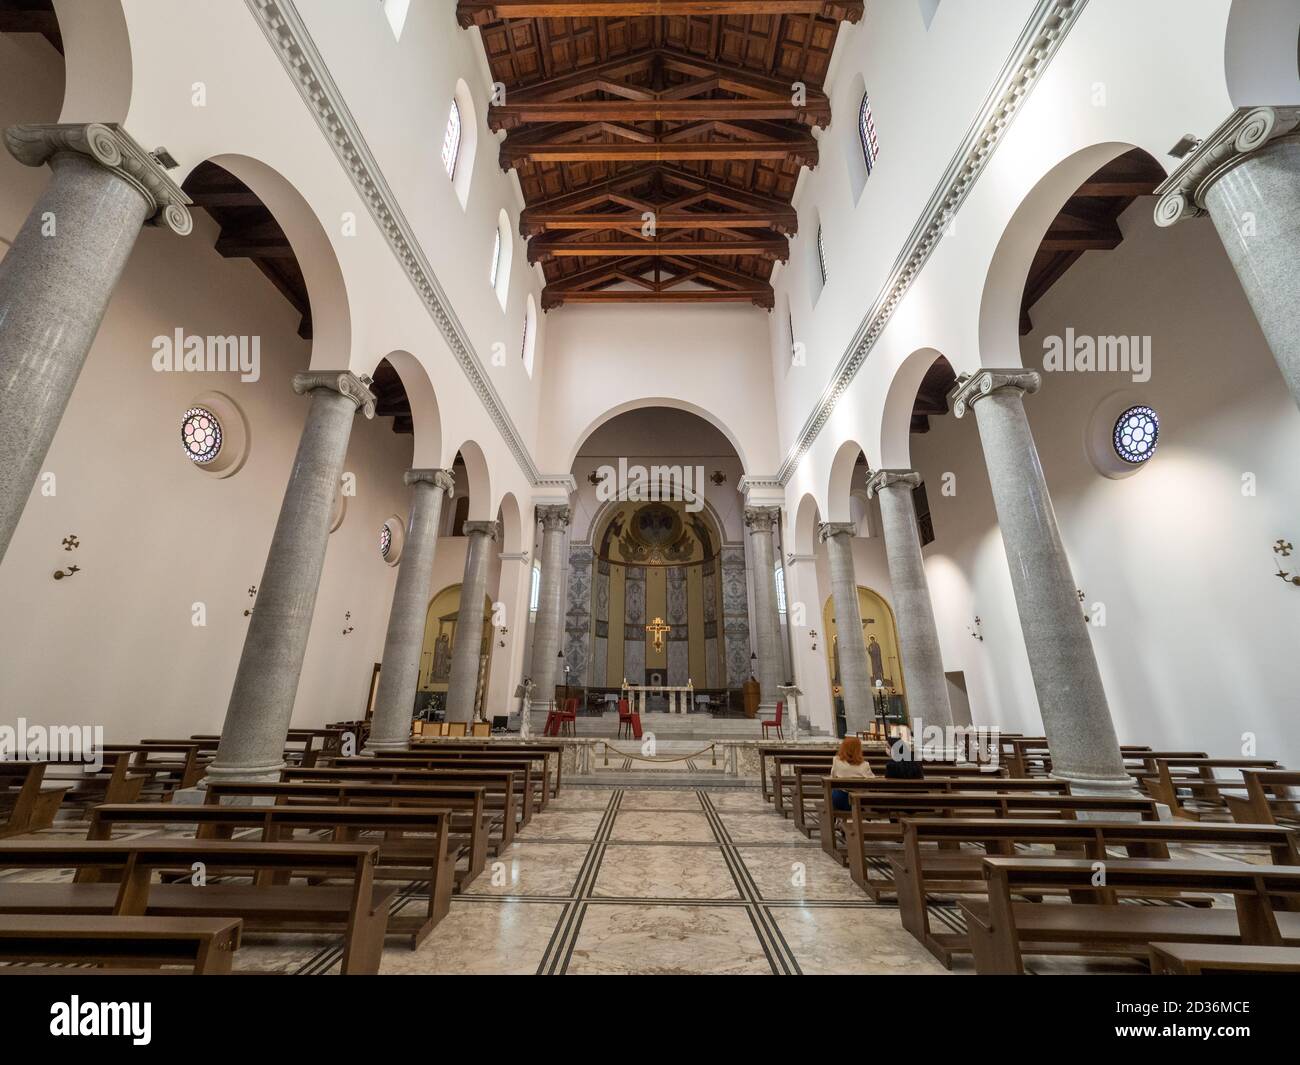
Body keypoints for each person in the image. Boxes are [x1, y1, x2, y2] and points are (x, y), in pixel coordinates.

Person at [830, 736, 873, 810]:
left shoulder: (836, 761)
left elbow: (832, 777)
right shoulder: (865, 765)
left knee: (834, 791)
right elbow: (872, 781)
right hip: (859, 801)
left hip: (840, 800)